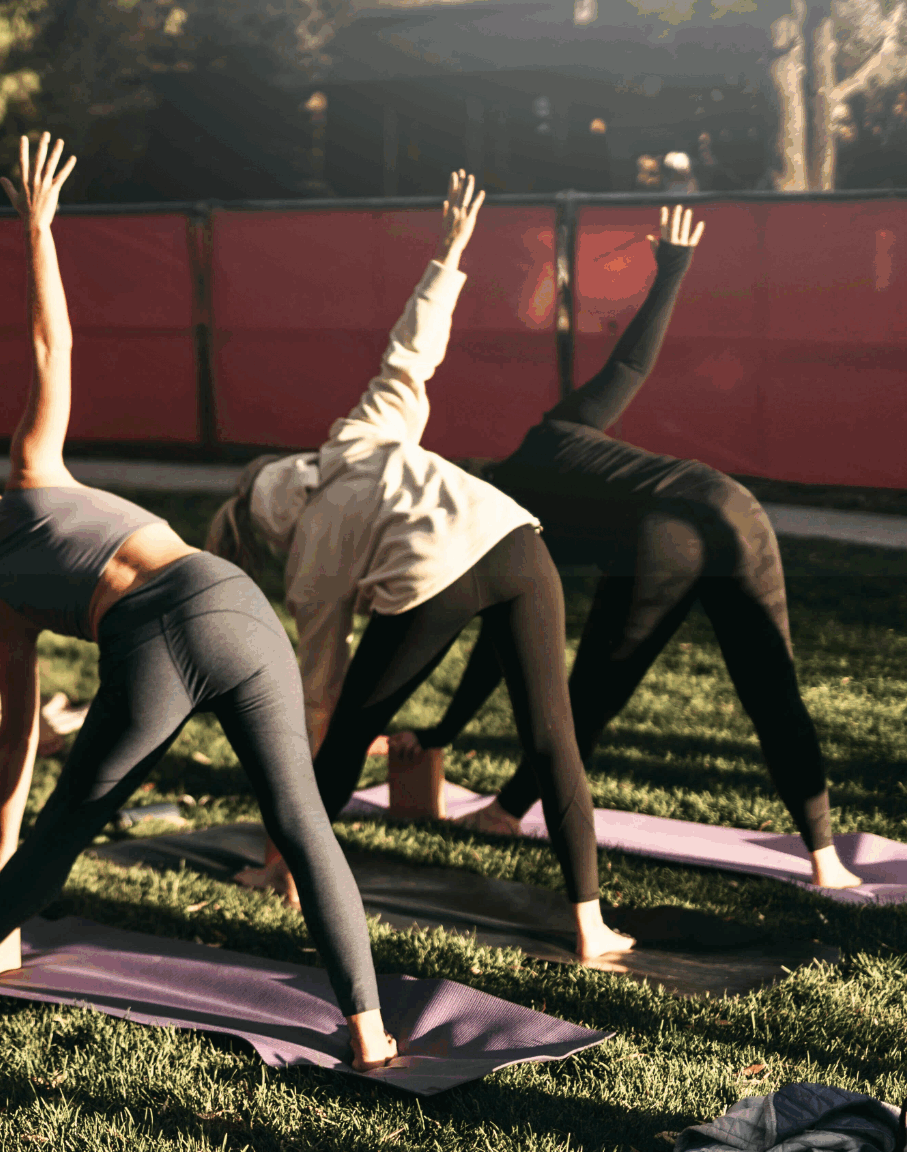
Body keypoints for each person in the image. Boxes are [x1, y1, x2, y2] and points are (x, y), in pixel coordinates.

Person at [0, 135, 395, 1071]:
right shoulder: (33, 476)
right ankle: (369, 1028)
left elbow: (18, 735)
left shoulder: (5, 605)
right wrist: (39, 229)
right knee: (300, 823)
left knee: (69, 824)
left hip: (155, 638)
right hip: (232, 599)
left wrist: (2, 841)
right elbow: (53, 344)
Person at [205, 171, 635, 962]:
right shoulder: (356, 435)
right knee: (553, 739)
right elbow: (411, 353)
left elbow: (320, 697)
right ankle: (590, 925)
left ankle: (288, 874)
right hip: (515, 538)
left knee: (347, 735)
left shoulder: (310, 558)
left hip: (438, 571)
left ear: (268, 526)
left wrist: (294, 800)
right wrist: (450, 251)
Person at [386, 206, 861, 889]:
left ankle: (504, 814)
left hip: (665, 532)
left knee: (591, 695)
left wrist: (442, 731)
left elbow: (497, 646)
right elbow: (631, 364)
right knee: (771, 686)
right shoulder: (553, 431)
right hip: (733, 506)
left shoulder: (505, 519)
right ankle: (826, 860)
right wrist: (673, 267)